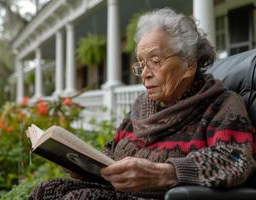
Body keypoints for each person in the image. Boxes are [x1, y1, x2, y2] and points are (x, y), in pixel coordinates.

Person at [29, 8, 256, 200]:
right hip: (118, 192)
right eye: (141, 65)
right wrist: (75, 160)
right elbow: (112, 153)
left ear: (189, 64)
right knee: (45, 190)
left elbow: (236, 159)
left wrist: (165, 173)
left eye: (155, 61)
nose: (145, 74)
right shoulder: (141, 106)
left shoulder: (221, 104)